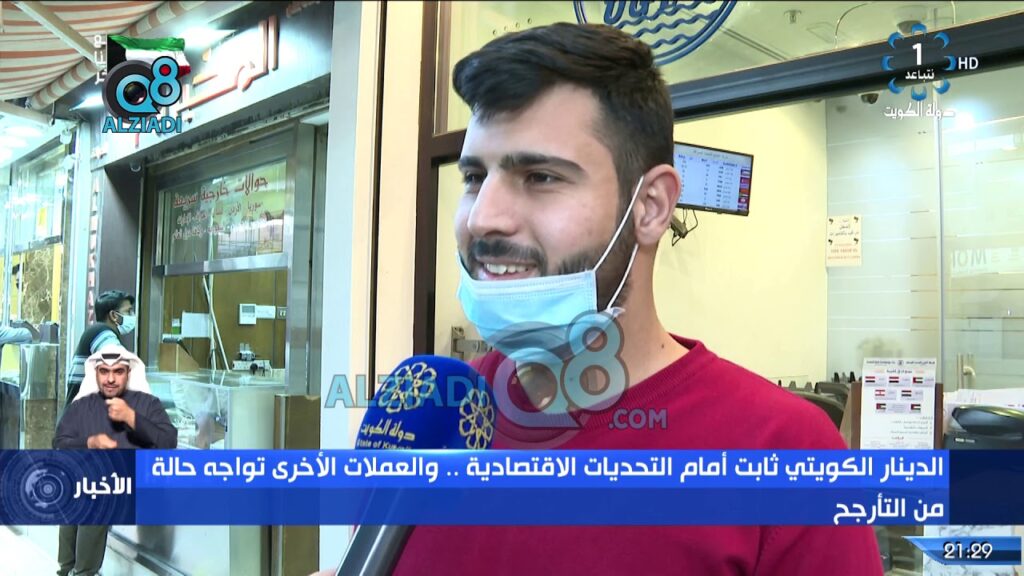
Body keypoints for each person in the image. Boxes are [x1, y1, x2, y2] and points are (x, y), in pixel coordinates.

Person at [383, 23, 883, 575]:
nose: (483, 218)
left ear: (650, 207)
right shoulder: (433, 417)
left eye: (541, 177)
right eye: (475, 177)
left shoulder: (787, 454)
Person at [53, 345, 177, 576]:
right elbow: (60, 442)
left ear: (128, 373)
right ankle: (67, 569)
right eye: (104, 371)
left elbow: (168, 440)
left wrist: (131, 417)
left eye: (118, 371)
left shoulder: (147, 404)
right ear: (96, 373)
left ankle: (83, 572)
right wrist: (90, 443)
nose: (110, 379)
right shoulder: (83, 405)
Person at [65, 290, 137, 408]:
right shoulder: (101, 332)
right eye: (128, 311)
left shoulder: (101, 332)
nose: (132, 316)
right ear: (114, 316)